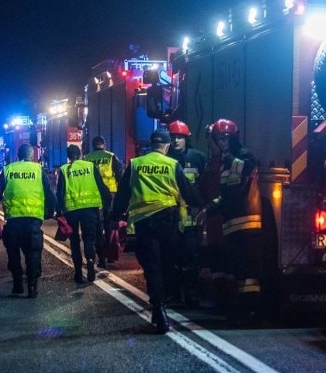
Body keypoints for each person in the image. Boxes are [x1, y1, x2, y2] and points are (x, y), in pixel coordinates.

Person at [109, 129, 202, 334]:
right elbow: (189, 192)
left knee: (151, 265)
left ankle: (158, 307)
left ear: (150, 145)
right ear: (167, 146)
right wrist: (203, 204)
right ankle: (165, 300)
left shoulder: (136, 164)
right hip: (168, 222)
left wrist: (115, 217)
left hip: (144, 223)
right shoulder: (172, 164)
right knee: (167, 263)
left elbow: (123, 194)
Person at [199, 118, 263, 323]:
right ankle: (240, 308)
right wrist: (210, 208)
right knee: (238, 269)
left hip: (246, 221)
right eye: (219, 139)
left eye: (226, 138)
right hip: (233, 223)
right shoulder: (226, 162)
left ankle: (250, 311)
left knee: (248, 272)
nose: (222, 142)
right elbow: (226, 193)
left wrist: (227, 159)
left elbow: (244, 173)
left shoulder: (243, 156)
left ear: (234, 137)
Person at [0, 144, 57, 298]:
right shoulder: (38, 170)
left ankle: (17, 284)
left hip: (13, 220)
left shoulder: (8, 169)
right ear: (32, 156)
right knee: (33, 252)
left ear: (18, 156)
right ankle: (32, 287)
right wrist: (51, 211)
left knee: (13, 253)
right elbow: (49, 193)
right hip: (33, 220)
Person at [165, 120, 207, 305]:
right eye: (173, 137)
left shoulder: (198, 158)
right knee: (171, 258)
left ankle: (191, 294)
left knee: (190, 258)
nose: (176, 141)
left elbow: (205, 185)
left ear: (186, 139)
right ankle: (173, 294)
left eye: (180, 137)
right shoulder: (165, 160)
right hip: (171, 218)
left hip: (191, 217)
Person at [57, 144, 111, 284]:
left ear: (68, 156)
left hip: (72, 209)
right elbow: (101, 185)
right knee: (89, 238)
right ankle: (91, 260)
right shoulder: (90, 166)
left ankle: (78, 273)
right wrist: (108, 202)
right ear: (80, 154)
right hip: (90, 208)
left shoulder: (64, 169)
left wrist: (59, 211)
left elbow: (60, 192)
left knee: (74, 241)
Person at [83, 135, 123, 269]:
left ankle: (101, 258)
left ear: (93, 145)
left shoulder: (87, 159)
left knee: (97, 228)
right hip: (110, 195)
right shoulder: (111, 156)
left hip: (94, 196)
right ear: (104, 144)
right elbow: (119, 176)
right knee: (109, 225)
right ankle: (109, 253)